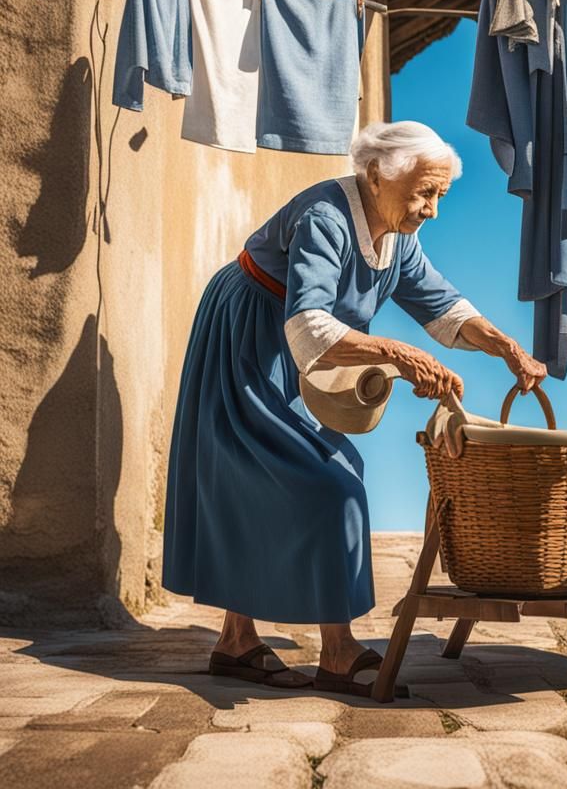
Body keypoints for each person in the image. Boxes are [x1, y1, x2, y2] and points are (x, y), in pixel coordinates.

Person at [162, 121, 546, 695]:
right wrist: (395, 351)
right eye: (424, 193)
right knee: (317, 478)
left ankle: (235, 642)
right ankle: (337, 652)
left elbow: (443, 306)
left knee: (278, 476)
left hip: (291, 347)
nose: (433, 209)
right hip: (248, 335)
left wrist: (506, 347)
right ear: (375, 176)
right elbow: (308, 321)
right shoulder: (327, 217)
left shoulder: (397, 237)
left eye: (439, 195)